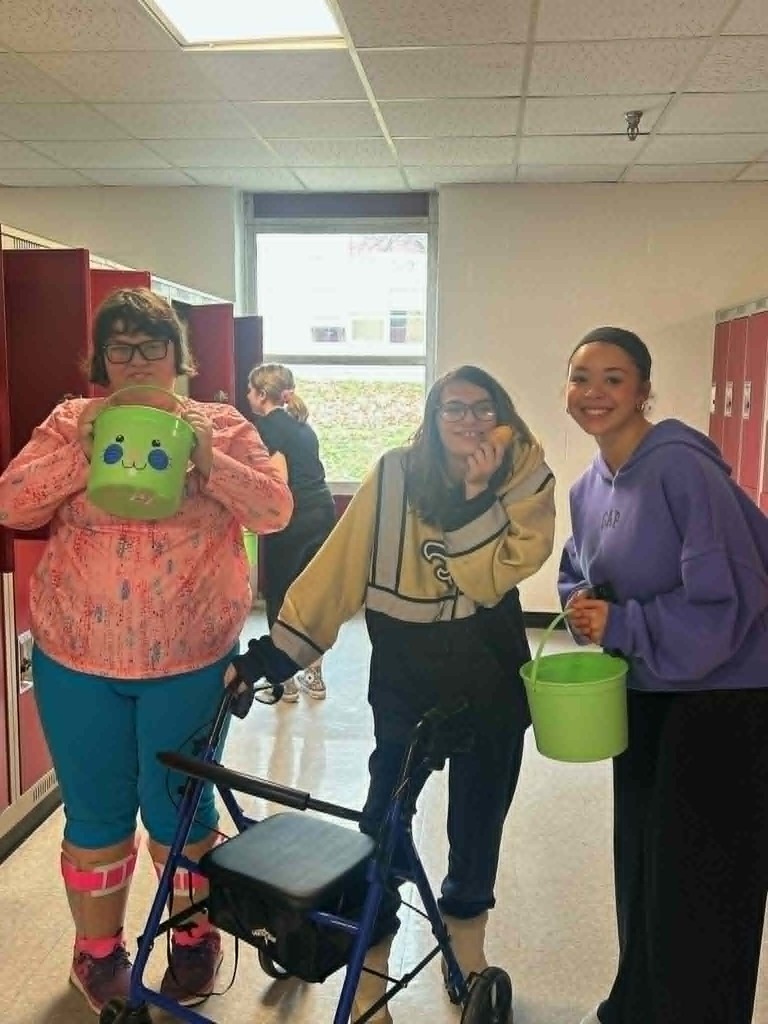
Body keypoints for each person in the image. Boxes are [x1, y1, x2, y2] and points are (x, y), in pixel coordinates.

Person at [231, 364, 556, 1022]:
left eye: (481, 408)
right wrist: (274, 654)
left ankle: (466, 947)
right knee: (385, 809)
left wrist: (472, 493)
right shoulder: (395, 473)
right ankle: (370, 941)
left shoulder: (525, 475)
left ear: (502, 415)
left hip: (488, 665)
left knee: (477, 814)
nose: (467, 420)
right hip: (407, 668)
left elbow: (496, 576)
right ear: (433, 416)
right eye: (452, 408)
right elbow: (340, 567)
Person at [0, 288, 292, 1016]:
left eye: (150, 346)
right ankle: (97, 955)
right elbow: (13, 503)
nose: (135, 359)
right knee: (96, 815)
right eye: (120, 347)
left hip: (188, 662)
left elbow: (274, 510)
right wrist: (82, 446)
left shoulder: (221, 424)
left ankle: (192, 941)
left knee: (179, 817)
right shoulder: (72, 420)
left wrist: (208, 459)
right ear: (101, 361)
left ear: (178, 359)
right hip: (77, 662)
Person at [559, 327, 768, 1024]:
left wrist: (622, 626)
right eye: (582, 377)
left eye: (614, 378)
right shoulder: (589, 487)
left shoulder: (682, 468)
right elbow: (576, 572)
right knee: (646, 866)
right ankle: (641, 1004)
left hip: (725, 699)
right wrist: (585, 609)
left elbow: (727, 598)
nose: (595, 393)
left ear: (645, 390)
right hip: (648, 690)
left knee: (703, 885)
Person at [247, 363, 336, 700]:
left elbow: (278, 480)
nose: (247, 396)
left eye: (250, 390)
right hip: (323, 512)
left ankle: (281, 682)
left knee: (281, 597)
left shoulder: (268, 427)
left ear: (261, 394)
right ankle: (313, 675)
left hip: (293, 518)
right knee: (311, 593)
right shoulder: (302, 426)